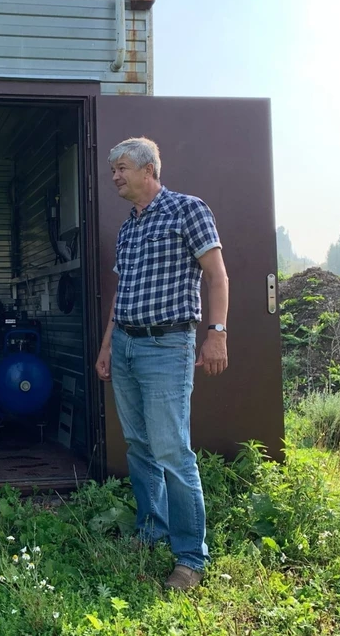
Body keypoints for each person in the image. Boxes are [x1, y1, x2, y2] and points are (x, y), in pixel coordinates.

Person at [95, 136, 229, 591]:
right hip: (128, 346)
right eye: (113, 169)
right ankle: (151, 530)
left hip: (168, 345)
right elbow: (122, 293)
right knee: (139, 445)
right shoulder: (128, 227)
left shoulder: (187, 209)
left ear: (149, 169)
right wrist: (107, 345)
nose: (115, 176)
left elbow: (216, 274)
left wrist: (217, 334)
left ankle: (190, 557)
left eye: (122, 168)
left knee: (172, 449)